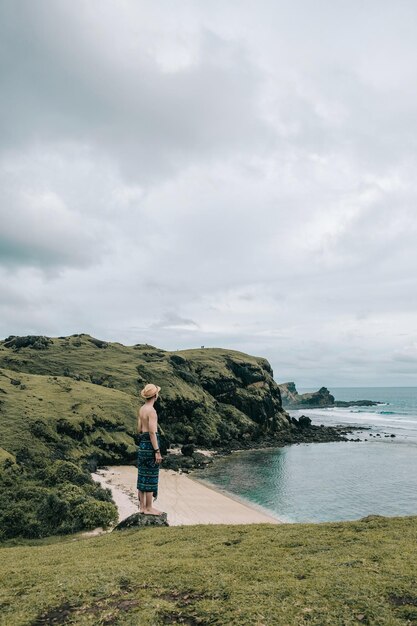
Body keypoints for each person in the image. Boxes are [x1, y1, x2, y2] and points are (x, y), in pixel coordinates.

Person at [137, 383, 163, 515]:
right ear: (155, 395)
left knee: (142, 475)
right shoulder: (152, 411)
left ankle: (142, 507)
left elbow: (139, 429)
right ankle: (148, 508)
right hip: (150, 445)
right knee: (151, 475)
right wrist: (157, 451)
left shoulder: (142, 409)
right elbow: (152, 432)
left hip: (142, 445)